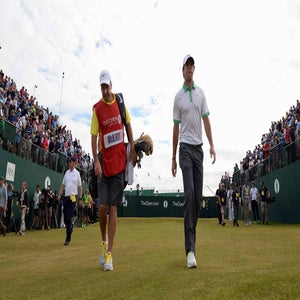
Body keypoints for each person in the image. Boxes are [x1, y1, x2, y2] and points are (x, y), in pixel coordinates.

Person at [171, 55, 216, 268]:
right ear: (182, 71)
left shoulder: (201, 94)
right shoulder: (178, 97)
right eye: (186, 66)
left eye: (191, 66)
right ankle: (190, 249)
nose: (189, 69)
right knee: (189, 194)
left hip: (199, 150)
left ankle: (191, 239)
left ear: (194, 70)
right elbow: (175, 128)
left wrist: (212, 144)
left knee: (197, 200)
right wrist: (173, 157)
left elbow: (206, 120)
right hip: (185, 149)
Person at [90, 69, 137, 271]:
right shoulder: (97, 109)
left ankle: (109, 253)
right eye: (102, 87)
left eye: (107, 86)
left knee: (114, 207)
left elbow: (128, 126)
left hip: (119, 163)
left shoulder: (120, 102)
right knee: (102, 207)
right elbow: (93, 136)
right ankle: (103, 242)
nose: (105, 90)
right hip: (103, 162)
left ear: (112, 85)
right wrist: (96, 161)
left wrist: (133, 148)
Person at [57, 157, 82, 245]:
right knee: (65, 216)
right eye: (69, 162)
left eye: (71, 162)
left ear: (74, 163)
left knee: (69, 216)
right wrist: (60, 194)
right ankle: (70, 227)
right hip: (66, 197)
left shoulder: (77, 173)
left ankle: (68, 237)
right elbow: (63, 185)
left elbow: (80, 186)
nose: (69, 164)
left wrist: (80, 198)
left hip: (73, 197)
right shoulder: (66, 173)